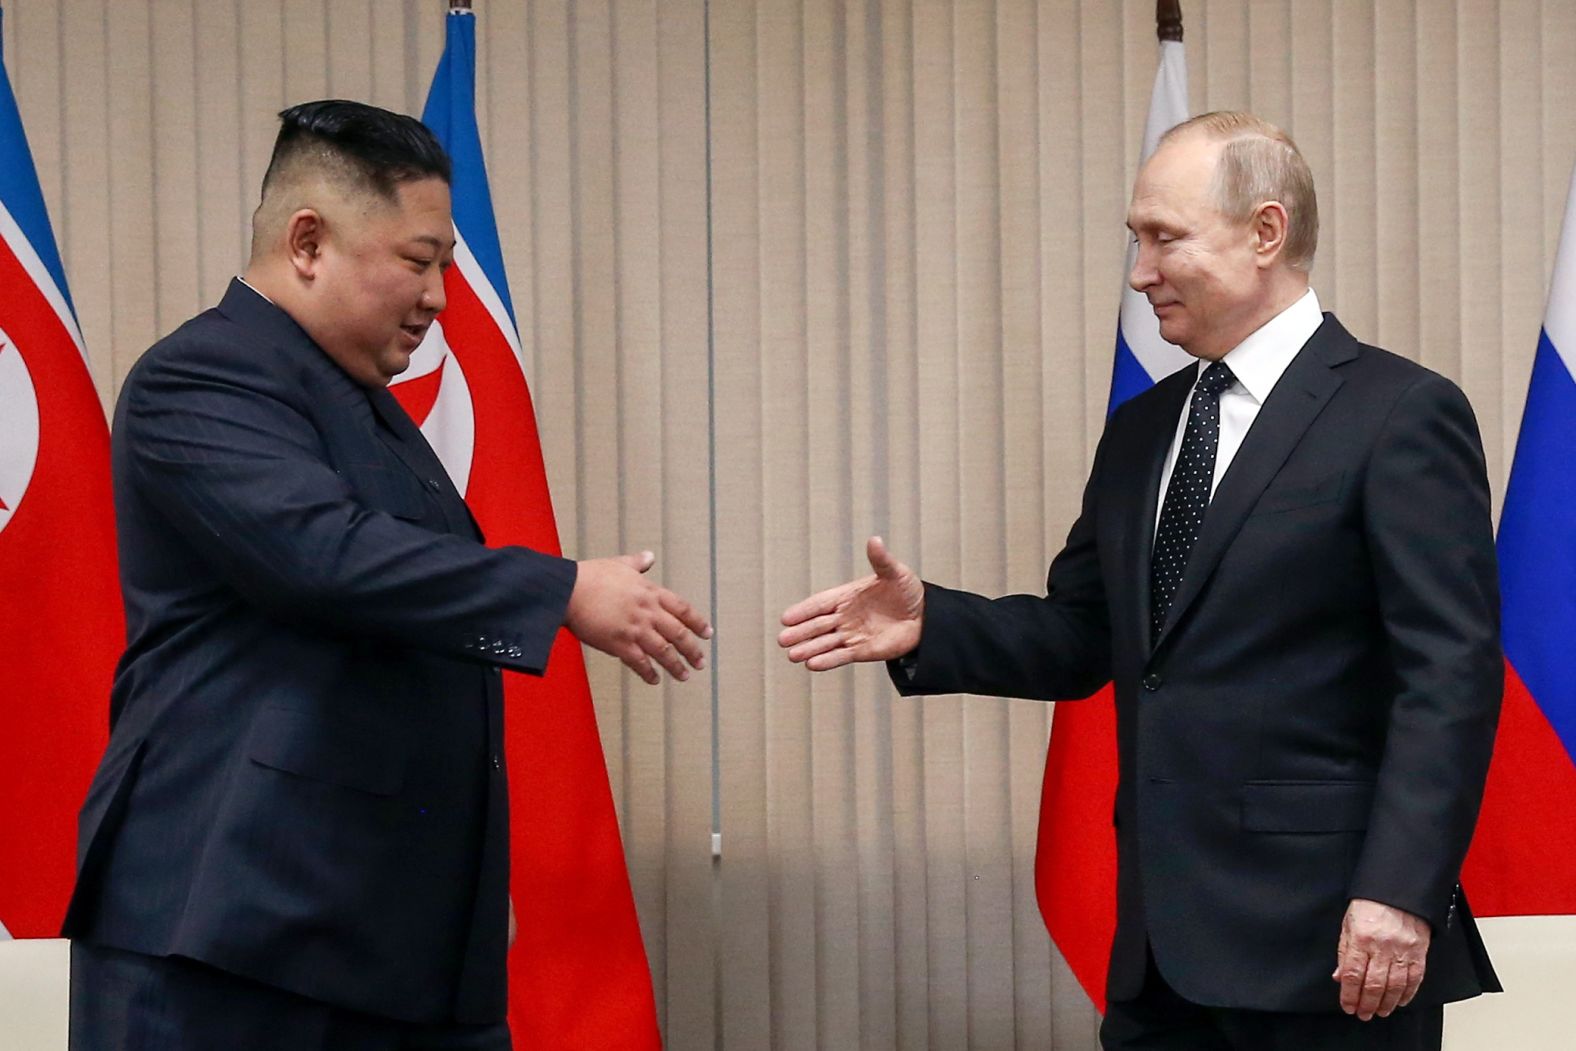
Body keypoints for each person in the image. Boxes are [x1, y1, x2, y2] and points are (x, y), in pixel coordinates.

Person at [780, 111, 1501, 1050]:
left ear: (1266, 233)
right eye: (1135, 238)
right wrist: (932, 624)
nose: (1139, 271)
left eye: (1165, 237)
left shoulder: (1399, 412)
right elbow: (1090, 634)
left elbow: (1449, 675)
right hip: (1159, 953)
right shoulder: (1145, 427)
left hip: (1333, 948)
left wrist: (1400, 893)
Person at [64, 100, 710, 1050]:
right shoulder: (199, 377)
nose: (441, 297)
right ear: (309, 242)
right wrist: (558, 589)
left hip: (380, 941)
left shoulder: (359, 406)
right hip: (228, 937)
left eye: (446, 264)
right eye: (417, 261)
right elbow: (323, 557)